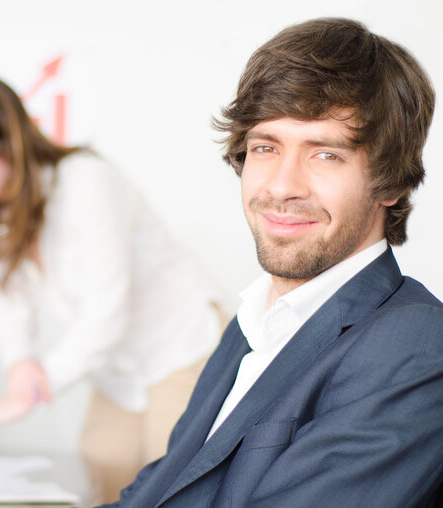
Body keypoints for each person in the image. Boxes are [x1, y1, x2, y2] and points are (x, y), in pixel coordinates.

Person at [102, 17, 443, 507]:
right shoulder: (252, 323)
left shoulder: (414, 345)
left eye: (325, 155)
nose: (282, 186)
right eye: (265, 147)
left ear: (389, 182)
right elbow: (158, 491)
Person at [0, 75, 223, 502]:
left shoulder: (85, 181)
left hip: (181, 349)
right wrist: (20, 365)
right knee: (97, 477)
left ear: (12, 145)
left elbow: (107, 311)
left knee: (171, 490)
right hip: (117, 370)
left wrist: (33, 392)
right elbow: (12, 304)